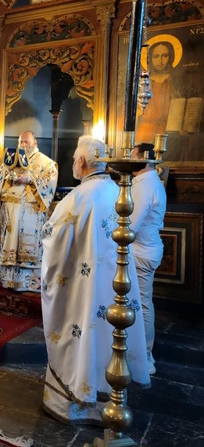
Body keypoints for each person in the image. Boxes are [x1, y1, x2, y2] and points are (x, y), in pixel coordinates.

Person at [40, 135, 150, 425]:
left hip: (84, 288)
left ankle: (78, 399)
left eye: (74, 159)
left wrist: (44, 234)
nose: (73, 164)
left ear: (82, 161)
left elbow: (52, 238)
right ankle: (111, 398)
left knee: (83, 332)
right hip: (115, 287)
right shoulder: (119, 191)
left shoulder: (78, 197)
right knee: (110, 335)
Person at [0, 130, 58, 292]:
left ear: (35, 143)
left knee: (27, 247)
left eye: (26, 142)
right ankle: (10, 281)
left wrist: (29, 179)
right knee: (10, 245)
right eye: (20, 142)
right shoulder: (12, 159)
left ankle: (30, 283)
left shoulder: (46, 162)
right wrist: (6, 173)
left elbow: (50, 181)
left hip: (31, 213)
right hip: (11, 211)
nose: (23, 145)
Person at [130, 142, 167, 376]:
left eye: (133, 157)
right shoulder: (150, 181)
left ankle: (145, 356)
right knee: (140, 303)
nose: (129, 161)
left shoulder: (145, 185)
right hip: (145, 250)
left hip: (141, 253)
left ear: (144, 159)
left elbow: (131, 225)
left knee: (142, 305)